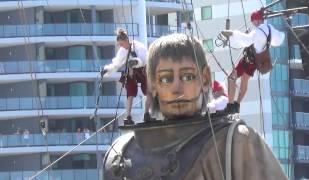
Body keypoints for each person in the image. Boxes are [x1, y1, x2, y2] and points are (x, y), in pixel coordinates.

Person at [103, 33, 287, 180]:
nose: (177, 89)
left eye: (188, 76)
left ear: (205, 78)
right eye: (166, 79)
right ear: (152, 84)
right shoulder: (120, 152)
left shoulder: (237, 143)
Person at [221, 9, 285, 113]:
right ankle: (237, 104)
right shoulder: (270, 28)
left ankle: (230, 105)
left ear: (257, 20)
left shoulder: (257, 32)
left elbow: (246, 41)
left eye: (253, 21)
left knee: (231, 77)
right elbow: (279, 39)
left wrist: (232, 34)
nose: (253, 24)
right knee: (244, 80)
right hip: (257, 61)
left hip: (249, 59)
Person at [101, 28, 152, 125]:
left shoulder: (139, 47)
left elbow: (144, 59)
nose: (121, 46)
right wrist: (107, 69)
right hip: (131, 71)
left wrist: (136, 61)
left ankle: (146, 113)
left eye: (121, 44)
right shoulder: (122, 51)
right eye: (119, 44)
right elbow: (116, 63)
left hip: (143, 69)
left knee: (149, 91)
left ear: (126, 40)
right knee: (130, 93)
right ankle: (128, 116)